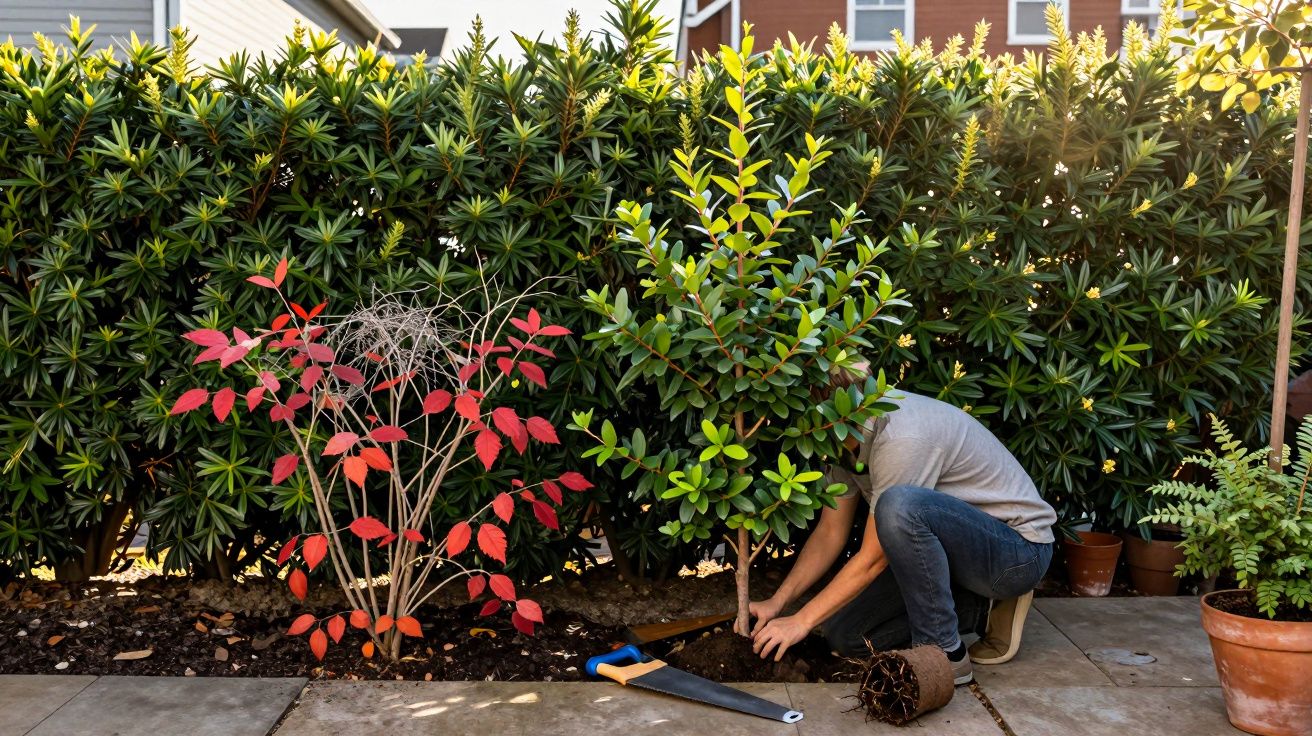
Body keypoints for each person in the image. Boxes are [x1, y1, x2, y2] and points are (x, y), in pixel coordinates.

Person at [745, 376, 1057, 685]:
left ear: (833, 410)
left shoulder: (903, 437)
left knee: (898, 507)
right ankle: (982, 609)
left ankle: (944, 653)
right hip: (956, 555)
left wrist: (801, 621)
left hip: (1016, 553)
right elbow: (830, 532)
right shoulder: (844, 439)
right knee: (846, 634)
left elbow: (872, 558)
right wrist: (778, 602)